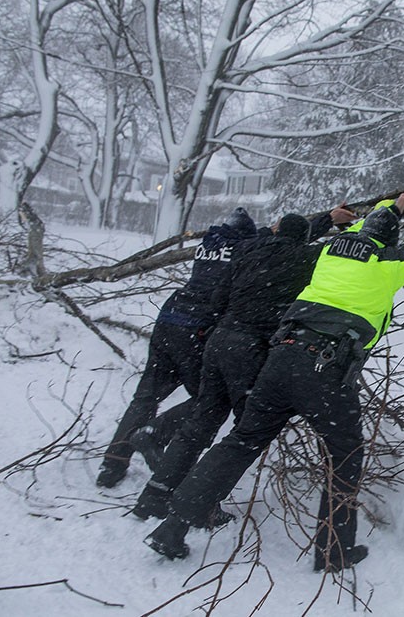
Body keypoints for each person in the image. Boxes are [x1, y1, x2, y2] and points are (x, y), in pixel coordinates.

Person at [144, 190, 404, 571]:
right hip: (323, 369)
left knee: (242, 441)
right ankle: (333, 551)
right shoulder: (388, 264)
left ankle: (173, 527)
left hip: (280, 359)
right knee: (344, 454)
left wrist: (392, 207)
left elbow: (375, 230)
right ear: (387, 245)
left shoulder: (330, 254)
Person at [130, 206, 358, 523]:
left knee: (201, 422)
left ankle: (154, 496)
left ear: (276, 231)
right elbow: (341, 252)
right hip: (250, 351)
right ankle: (198, 505)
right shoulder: (307, 259)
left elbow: (218, 300)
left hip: (218, 343)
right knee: (242, 437)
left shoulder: (247, 249)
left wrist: (326, 220)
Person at [95, 208, 258, 488]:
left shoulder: (209, 243)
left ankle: (112, 465)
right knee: (210, 398)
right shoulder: (243, 250)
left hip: (170, 319)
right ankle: (153, 433)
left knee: (146, 396)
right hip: (196, 327)